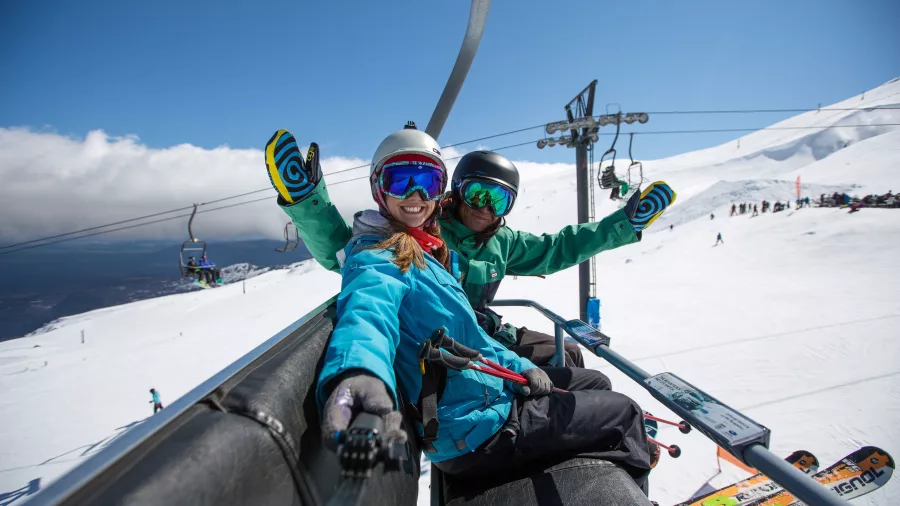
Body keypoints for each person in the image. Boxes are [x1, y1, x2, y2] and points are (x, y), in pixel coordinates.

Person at [309, 128, 655, 492]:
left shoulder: (425, 249)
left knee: (595, 382)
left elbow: (471, 334)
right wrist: (361, 373)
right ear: (379, 187)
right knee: (625, 413)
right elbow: (367, 311)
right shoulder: (382, 256)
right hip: (472, 429)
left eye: (427, 181)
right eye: (401, 181)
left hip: (483, 397)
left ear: (440, 187)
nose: (416, 195)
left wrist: (520, 366)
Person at [264, 125, 673, 368]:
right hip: (440, 339)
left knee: (569, 357)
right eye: (477, 194)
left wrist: (623, 225)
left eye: (498, 200)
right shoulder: (425, 222)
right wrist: (307, 203)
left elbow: (560, 247)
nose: (483, 208)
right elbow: (347, 250)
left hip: (485, 330)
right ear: (455, 192)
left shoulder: (504, 242)